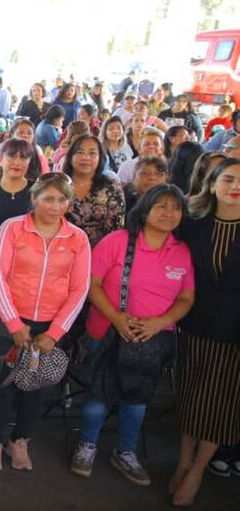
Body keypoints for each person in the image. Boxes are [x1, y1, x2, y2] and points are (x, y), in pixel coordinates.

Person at [71, 185, 193, 486]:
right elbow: (92, 284)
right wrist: (115, 317)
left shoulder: (181, 251)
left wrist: (159, 322)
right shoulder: (118, 241)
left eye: (176, 207)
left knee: (137, 401)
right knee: (98, 394)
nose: (169, 213)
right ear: (145, 209)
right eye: (161, 206)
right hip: (107, 331)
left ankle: (125, 451)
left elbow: (186, 298)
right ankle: (87, 445)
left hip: (151, 338)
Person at [0, 173, 90, 471]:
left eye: (62, 199)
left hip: (49, 327)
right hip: (10, 321)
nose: (55, 206)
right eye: (48, 198)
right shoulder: (12, 228)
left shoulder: (77, 238)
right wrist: (14, 324)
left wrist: (55, 333)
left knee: (37, 387)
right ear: (34, 199)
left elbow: (79, 289)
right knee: (1, 384)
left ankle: (20, 440)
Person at [171, 159, 240, 506]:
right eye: (227, 179)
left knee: (220, 402)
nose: (234, 186)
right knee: (191, 392)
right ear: (212, 185)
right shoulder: (194, 225)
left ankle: (198, 469)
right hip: (194, 322)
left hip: (234, 332)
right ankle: (183, 460)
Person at [63, 134, 126, 246]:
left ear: (100, 158)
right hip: (61, 249)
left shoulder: (111, 185)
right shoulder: (59, 183)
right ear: (70, 156)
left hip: (100, 251)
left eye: (92, 153)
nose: (86, 157)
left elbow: (116, 226)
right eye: (80, 152)